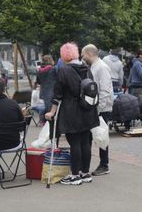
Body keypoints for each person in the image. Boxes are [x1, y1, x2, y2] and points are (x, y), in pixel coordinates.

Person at [45, 42, 99, 185]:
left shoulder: (64, 70)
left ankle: (74, 175)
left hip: (72, 111)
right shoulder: (86, 68)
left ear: (64, 56)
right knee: (85, 142)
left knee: (74, 143)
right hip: (88, 110)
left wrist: (51, 112)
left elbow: (57, 95)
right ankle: (85, 173)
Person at [81, 44, 113, 176]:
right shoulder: (94, 66)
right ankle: (85, 165)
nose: (82, 58)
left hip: (102, 108)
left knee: (102, 136)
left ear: (89, 53)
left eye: (83, 55)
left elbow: (105, 90)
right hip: (96, 106)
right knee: (92, 135)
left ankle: (104, 164)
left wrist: (99, 109)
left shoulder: (102, 67)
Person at [35, 55, 58, 124]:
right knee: (51, 110)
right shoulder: (53, 69)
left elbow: (38, 82)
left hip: (43, 92)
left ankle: (43, 122)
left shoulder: (39, 70)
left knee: (46, 108)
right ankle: (49, 124)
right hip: (52, 92)